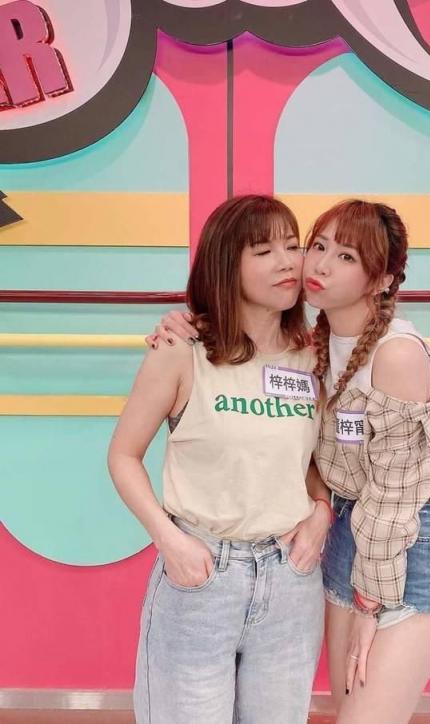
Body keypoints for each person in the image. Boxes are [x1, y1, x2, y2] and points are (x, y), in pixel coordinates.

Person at [150, 198, 430, 724]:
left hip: (407, 545)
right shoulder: (314, 346)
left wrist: (371, 602)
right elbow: (299, 449)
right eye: (318, 246)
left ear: (383, 280)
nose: (318, 264)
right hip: (344, 536)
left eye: (346, 257)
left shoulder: (396, 354)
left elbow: (394, 501)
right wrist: (189, 320)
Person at [108, 195, 332, 724]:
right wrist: (170, 542)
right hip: (202, 577)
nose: (287, 262)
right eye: (264, 251)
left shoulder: (312, 356)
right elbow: (123, 455)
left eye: (293, 246)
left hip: (290, 579)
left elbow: (309, 461)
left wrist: (321, 512)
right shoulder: (181, 350)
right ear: (226, 264)